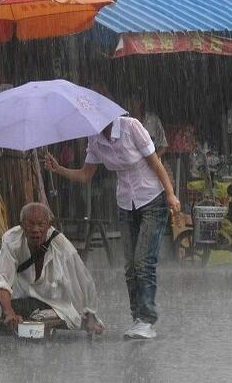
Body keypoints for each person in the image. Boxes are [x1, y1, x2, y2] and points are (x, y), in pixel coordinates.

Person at [45, 115, 181, 340]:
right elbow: (85, 175)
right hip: (125, 202)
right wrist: (58, 169)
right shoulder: (95, 139)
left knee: (143, 262)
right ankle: (137, 318)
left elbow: (155, 161)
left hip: (152, 198)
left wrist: (170, 194)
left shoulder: (131, 127)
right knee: (130, 266)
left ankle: (147, 320)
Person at [0, 202, 104, 336]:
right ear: (22, 225)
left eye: (40, 224)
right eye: (30, 224)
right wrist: (8, 312)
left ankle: (0, 324)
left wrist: (89, 315)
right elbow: (2, 281)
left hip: (49, 300)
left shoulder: (61, 244)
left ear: (48, 225)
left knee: (35, 322)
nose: (35, 230)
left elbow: (83, 281)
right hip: (18, 290)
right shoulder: (12, 238)